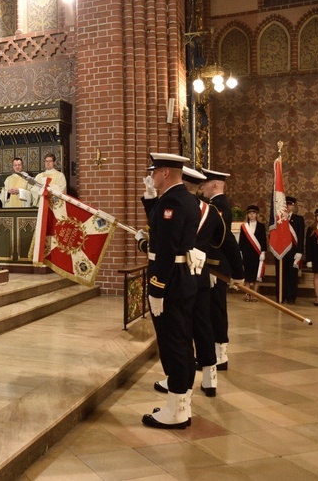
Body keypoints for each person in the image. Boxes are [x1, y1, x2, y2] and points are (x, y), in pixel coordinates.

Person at [145, 167, 244, 399]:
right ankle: (209, 379)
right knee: (202, 327)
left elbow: (168, 242)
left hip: (181, 275)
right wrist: (235, 270)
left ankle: (180, 382)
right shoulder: (206, 210)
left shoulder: (182, 206)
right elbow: (225, 241)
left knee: (183, 331)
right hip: (200, 274)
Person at [135, 153, 199, 429]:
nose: (151, 176)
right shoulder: (185, 199)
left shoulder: (172, 202)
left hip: (169, 280)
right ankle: (180, 403)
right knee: (182, 341)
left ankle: (175, 411)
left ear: (165, 173)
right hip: (182, 278)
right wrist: (150, 198)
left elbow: (166, 248)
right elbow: (160, 230)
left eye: (155, 171)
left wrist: (157, 288)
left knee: (172, 344)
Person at [200, 168, 234, 370]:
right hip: (214, 267)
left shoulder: (218, 207)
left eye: (205, 184)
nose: (202, 187)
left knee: (216, 311)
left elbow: (217, 240)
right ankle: (216, 353)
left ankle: (220, 356)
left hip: (216, 268)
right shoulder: (216, 205)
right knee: (212, 311)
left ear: (214, 185)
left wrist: (212, 266)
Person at [276, 196, 305, 304]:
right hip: (281, 251)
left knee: (292, 275)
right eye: (286, 204)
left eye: (290, 204)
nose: (287, 206)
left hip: (293, 252)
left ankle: (291, 297)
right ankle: (280, 296)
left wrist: (300, 251)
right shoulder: (279, 218)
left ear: (293, 206)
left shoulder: (298, 219)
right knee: (281, 275)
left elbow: (301, 236)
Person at [239, 205, 267, 300]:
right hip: (247, 253)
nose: (251, 215)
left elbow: (263, 240)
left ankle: (255, 294)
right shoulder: (244, 227)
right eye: (250, 213)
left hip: (257, 254)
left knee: (256, 275)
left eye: (254, 213)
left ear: (257, 214)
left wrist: (263, 252)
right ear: (247, 215)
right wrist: (240, 252)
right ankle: (248, 294)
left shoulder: (261, 226)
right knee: (247, 275)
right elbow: (241, 240)